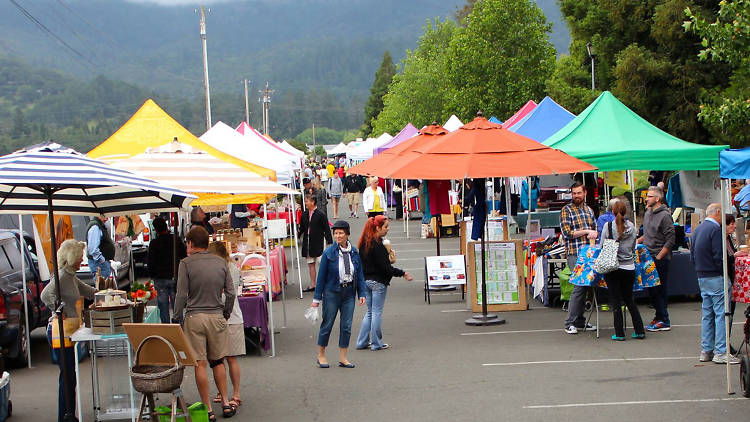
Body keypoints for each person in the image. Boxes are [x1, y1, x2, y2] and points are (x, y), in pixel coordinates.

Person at [173, 226, 236, 419]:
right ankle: (226, 402)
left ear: (191, 243)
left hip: (194, 318)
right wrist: (225, 313)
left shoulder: (186, 263)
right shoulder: (220, 262)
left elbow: (181, 295)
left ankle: (208, 409)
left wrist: (176, 317)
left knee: (200, 363)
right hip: (217, 315)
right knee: (218, 362)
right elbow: (231, 293)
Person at [41, 239, 97, 422]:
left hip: (69, 330)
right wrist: (58, 309)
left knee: (69, 376)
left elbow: (88, 291)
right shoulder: (62, 276)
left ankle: (68, 414)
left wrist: (106, 291)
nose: (82, 260)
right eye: (80, 257)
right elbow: (45, 295)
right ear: (72, 257)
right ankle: (65, 416)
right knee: (67, 377)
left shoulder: (70, 276)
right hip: (60, 331)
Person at [311, 220, 366, 368]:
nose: (338, 235)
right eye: (336, 233)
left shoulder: (354, 252)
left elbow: (359, 274)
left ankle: (343, 357)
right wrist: (316, 298)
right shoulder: (329, 253)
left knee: (346, 326)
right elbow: (321, 277)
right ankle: (321, 355)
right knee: (327, 324)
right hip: (332, 293)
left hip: (349, 293)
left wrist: (362, 293)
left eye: (341, 233)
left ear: (347, 234)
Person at [691, 203, 740, 364]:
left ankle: (706, 350)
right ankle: (721, 351)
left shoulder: (698, 229)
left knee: (708, 314)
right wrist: (722, 272)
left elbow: (692, 254)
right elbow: (720, 256)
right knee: (722, 314)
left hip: (702, 275)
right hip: (715, 275)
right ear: (718, 213)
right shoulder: (716, 230)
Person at [355, 215, 413, 351]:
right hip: (378, 282)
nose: (388, 229)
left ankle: (362, 342)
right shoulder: (378, 245)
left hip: (366, 281)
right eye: (385, 227)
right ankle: (376, 343)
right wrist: (402, 273)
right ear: (377, 227)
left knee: (370, 312)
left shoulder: (363, 243)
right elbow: (386, 268)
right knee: (376, 312)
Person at [599, 201, 645, 341]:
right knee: (629, 299)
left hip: (613, 267)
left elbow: (602, 245)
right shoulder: (632, 227)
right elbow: (633, 247)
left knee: (616, 300)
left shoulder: (607, 226)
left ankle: (619, 333)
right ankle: (639, 330)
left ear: (612, 212)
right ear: (626, 212)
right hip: (629, 267)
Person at [207, 241, 244, 412]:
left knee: (231, 357)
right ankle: (223, 393)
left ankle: (235, 394)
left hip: (231, 317)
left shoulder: (232, 269)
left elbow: (229, 295)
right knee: (218, 358)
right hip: (217, 318)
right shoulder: (216, 269)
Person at [560, 182, 598, 334]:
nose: (576, 196)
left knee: (585, 287)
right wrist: (587, 231)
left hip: (588, 254)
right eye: (574, 193)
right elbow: (567, 233)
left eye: (578, 193)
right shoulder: (566, 210)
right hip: (575, 254)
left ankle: (580, 321)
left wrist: (593, 232)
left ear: (585, 193)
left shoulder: (589, 210)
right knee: (579, 286)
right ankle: (569, 322)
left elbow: (595, 230)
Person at [638, 186, 675, 332]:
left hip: (658, 258)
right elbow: (648, 234)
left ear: (658, 199)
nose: (646, 198)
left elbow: (670, 240)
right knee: (652, 290)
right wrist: (637, 241)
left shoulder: (665, 216)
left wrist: (659, 257)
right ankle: (658, 316)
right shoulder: (648, 212)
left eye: (650, 196)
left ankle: (664, 320)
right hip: (647, 256)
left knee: (659, 290)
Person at [147, 216, 187, 323]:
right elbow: (184, 256)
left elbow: (150, 262)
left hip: (160, 278)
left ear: (155, 229)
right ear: (166, 226)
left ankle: (166, 327)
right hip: (175, 275)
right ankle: (179, 326)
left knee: (163, 304)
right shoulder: (175, 239)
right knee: (177, 304)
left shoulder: (154, 243)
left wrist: (152, 275)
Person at [299, 196, 333, 292]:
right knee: (310, 264)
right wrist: (297, 233)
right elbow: (302, 228)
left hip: (318, 241)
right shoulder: (305, 214)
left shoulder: (320, 214)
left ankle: (325, 283)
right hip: (308, 241)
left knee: (322, 263)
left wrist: (329, 242)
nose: (305, 203)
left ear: (313, 202)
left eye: (307, 201)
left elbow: (326, 229)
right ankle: (313, 284)